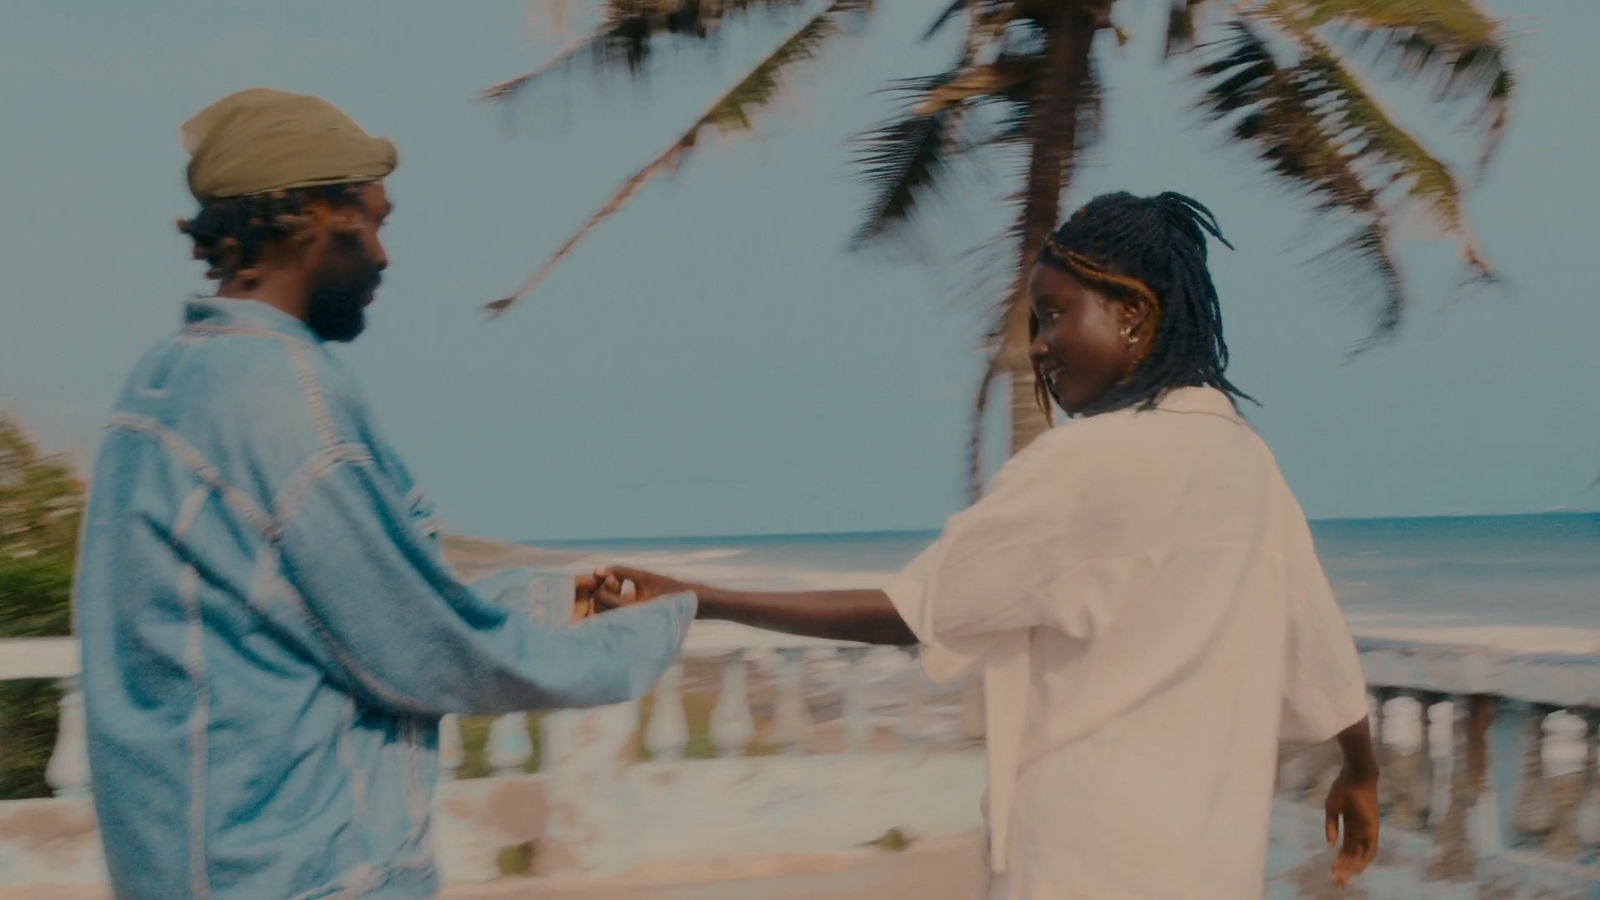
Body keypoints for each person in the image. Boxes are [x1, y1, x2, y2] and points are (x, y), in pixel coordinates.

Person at [594, 192, 1381, 900]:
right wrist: (1361, 770)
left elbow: (911, 611)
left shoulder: (1081, 465)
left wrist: (703, 600)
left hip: (1079, 859)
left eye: (1053, 315)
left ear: (1134, 316)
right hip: (1211, 866)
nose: (1038, 347)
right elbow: (1314, 636)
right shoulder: (1246, 461)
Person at [72, 88, 696, 900]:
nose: (384, 257)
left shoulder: (159, 384)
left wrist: (589, 596)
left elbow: (381, 605)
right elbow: (434, 647)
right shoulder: (280, 397)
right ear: (307, 220)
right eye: (371, 223)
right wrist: (653, 619)